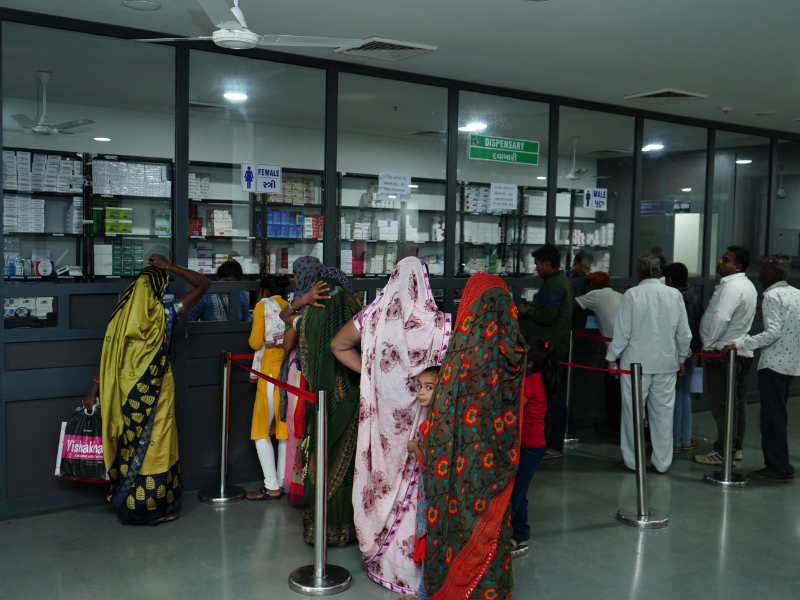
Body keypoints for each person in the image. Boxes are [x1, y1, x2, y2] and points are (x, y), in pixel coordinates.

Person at [330, 257, 452, 594]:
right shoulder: (439, 325)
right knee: (416, 484)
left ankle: (383, 560)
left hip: (382, 421)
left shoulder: (371, 316)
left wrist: (371, 374)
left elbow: (337, 345)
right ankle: (416, 570)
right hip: (421, 419)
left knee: (382, 477)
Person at [82, 255, 210, 525]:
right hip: (157, 394)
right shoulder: (165, 314)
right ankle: (151, 511)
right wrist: (170, 266)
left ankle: (129, 505)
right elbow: (204, 284)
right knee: (157, 447)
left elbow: (107, 357)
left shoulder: (120, 320)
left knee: (130, 447)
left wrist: (94, 389)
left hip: (125, 396)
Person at [422, 272, 526, 600]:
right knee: (491, 523)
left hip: (457, 460)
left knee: (459, 519)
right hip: (494, 457)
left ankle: (454, 588)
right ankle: (489, 590)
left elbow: (442, 411)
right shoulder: (512, 349)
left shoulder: (462, 348)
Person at [282, 268, 360, 545]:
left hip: (320, 403)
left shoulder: (309, 321)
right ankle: (345, 527)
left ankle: (318, 529)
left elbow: (284, 315)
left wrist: (304, 300)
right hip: (350, 405)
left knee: (320, 460)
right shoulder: (355, 321)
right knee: (347, 466)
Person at [606, 255, 692, 474]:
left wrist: (611, 357)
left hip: (635, 365)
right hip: (666, 363)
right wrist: (682, 358)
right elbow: (684, 332)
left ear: (639, 273)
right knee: (663, 414)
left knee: (633, 414)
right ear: (660, 272)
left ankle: (633, 462)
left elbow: (623, 332)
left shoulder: (632, 294)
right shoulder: (674, 294)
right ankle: (662, 463)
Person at [723, 255, 800, 483]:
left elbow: (773, 332)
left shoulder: (771, 296)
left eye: (765, 269)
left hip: (774, 364)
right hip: (791, 364)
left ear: (776, 273)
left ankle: (776, 469)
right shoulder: (796, 293)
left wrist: (740, 344)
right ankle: (782, 465)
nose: (760, 272)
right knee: (778, 416)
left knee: (771, 419)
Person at [695, 245, 757, 466]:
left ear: (738, 266)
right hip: (739, 351)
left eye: (726, 260)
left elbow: (721, 318)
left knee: (722, 406)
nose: (720, 262)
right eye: (722, 258)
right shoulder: (746, 285)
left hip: (723, 353)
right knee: (736, 404)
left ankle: (723, 452)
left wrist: (709, 345)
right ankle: (734, 447)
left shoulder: (732, 287)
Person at [522, 243, 574, 459]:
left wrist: (527, 310)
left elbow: (548, 316)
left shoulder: (554, 284)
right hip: (554, 347)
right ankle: (551, 442)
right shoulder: (559, 281)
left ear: (546, 263)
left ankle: (553, 444)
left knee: (554, 397)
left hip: (551, 350)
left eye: (537, 264)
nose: (536, 268)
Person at [278, 256, 322, 502]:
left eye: (295, 274)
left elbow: (288, 344)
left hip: (299, 373)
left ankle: (294, 487)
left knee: (297, 426)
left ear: (300, 276)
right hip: (320, 371)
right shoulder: (327, 299)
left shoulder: (301, 302)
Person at [246, 275, 291, 500]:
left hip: (270, 370)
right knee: (283, 430)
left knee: (261, 428)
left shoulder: (262, 306)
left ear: (264, 291)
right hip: (289, 370)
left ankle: (271, 486)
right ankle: (283, 483)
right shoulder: (291, 305)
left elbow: (255, 342)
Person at [510, 336, 556, 551]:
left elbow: (514, 412)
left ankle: (499, 540)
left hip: (529, 447)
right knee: (520, 492)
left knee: (514, 496)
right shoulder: (535, 376)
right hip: (529, 446)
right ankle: (521, 534)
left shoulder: (530, 382)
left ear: (529, 364)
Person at [574, 271, 623, 436]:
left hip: (614, 354)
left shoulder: (595, 295)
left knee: (613, 392)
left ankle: (613, 427)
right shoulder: (620, 296)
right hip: (629, 350)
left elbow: (571, 304)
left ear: (592, 285)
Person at [406, 366, 439, 600]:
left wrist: (415, 448)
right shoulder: (436, 419)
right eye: (420, 386)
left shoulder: (434, 425)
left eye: (429, 387)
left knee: (430, 542)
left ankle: (423, 595)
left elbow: (430, 465)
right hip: (430, 491)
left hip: (433, 493)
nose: (421, 392)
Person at [664, 262, 704, 454]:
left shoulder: (670, 299)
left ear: (669, 280)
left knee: (672, 395)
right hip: (692, 351)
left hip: (674, 353)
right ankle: (685, 439)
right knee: (685, 394)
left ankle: (674, 442)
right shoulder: (695, 298)